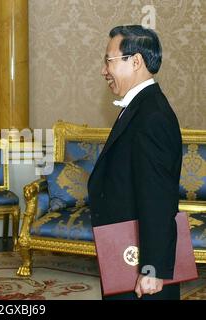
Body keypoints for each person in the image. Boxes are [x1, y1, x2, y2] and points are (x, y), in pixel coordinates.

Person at [87, 25, 182, 300]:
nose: (104, 70)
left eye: (109, 60)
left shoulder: (151, 116)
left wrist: (152, 268)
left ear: (136, 61)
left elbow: (157, 199)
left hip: (141, 265)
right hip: (125, 253)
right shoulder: (140, 107)